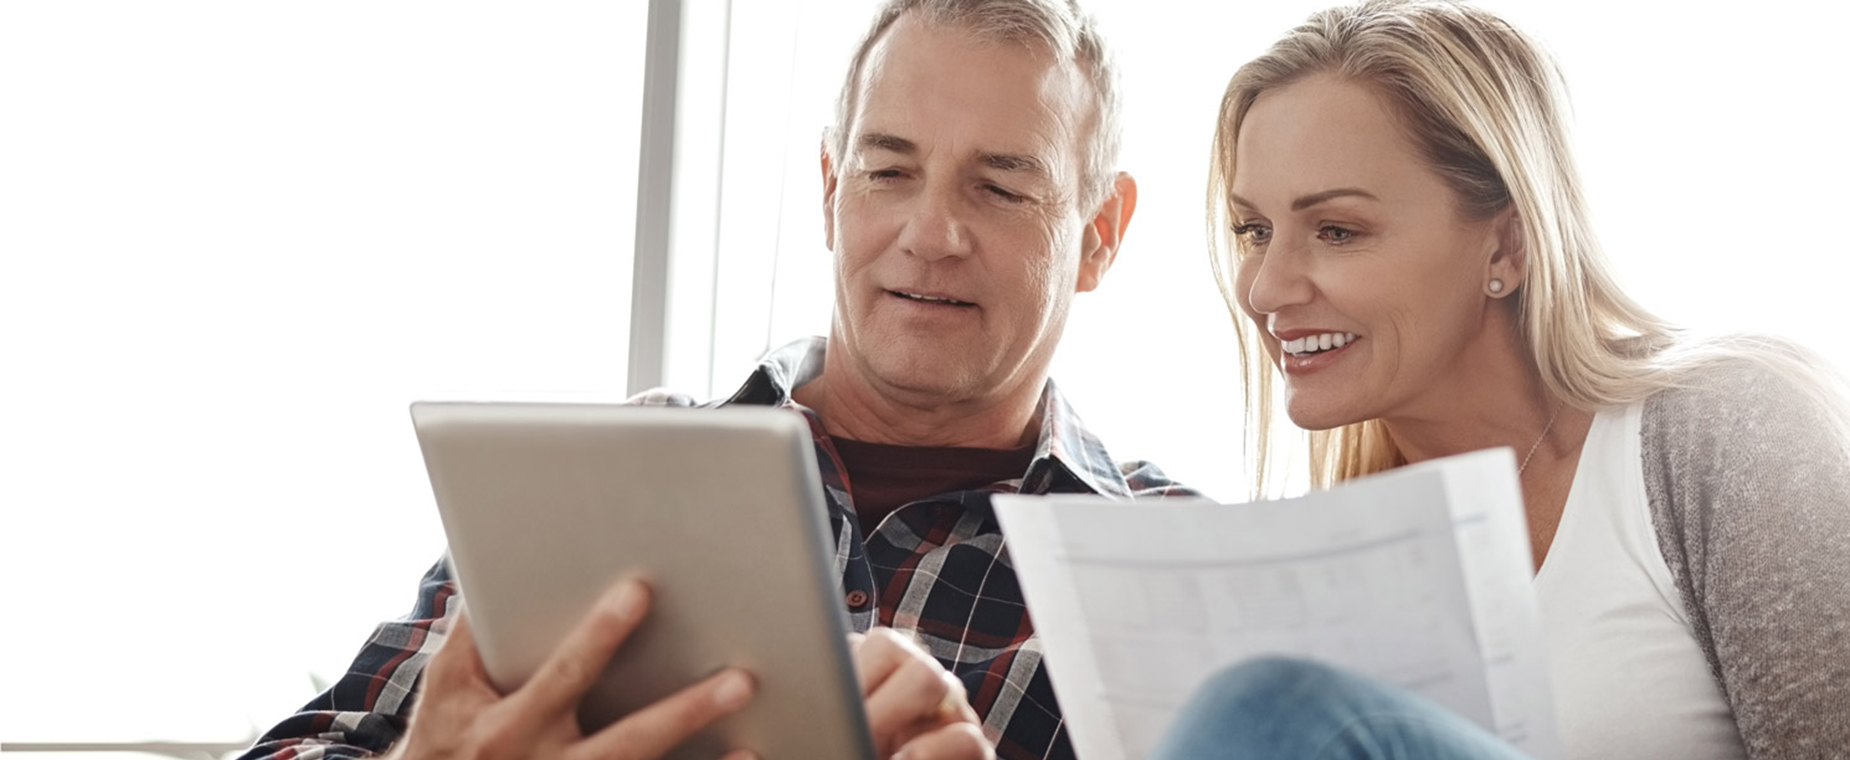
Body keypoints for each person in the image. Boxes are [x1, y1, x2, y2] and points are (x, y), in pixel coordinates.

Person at [238, 2, 1190, 760]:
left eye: (999, 188)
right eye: (888, 171)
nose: (931, 233)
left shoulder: (1183, 572)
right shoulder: (603, 478)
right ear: (829, 190)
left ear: (1100, 233)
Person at [1144, 0, 1850, 758]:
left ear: (1506, 247)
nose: (1266, 289)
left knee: (1270, 706)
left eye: (1337, 231)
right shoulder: (1328, 569)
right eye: (1254, 231)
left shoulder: (1727, 430)